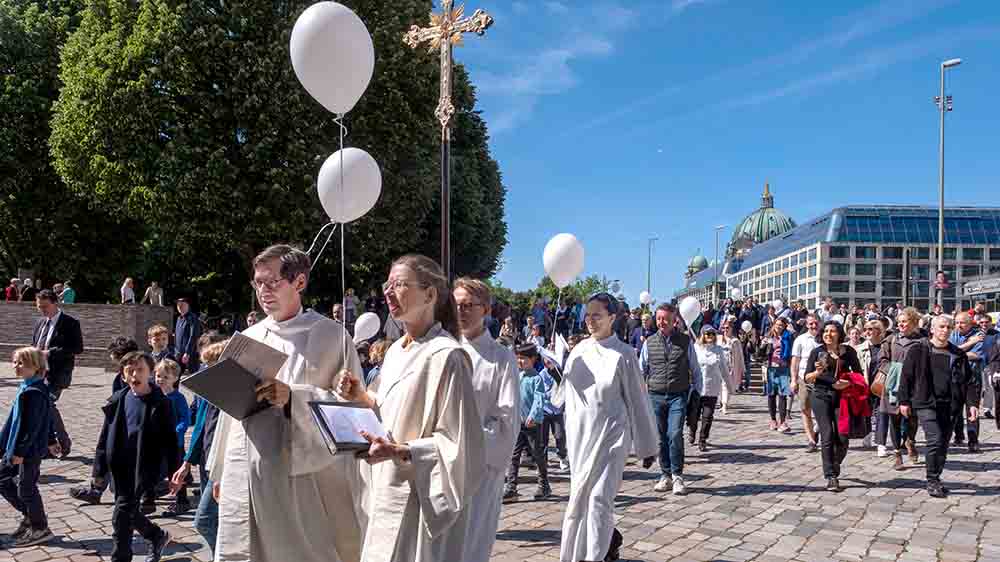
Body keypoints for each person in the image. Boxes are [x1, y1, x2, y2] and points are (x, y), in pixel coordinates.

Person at [206, 244, 366, 562]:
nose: (263, 291)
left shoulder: (331, 337)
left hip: (301, 481)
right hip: (245, 471)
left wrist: (294, 397)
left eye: (272, 282)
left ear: (300, 282)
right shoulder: (248, 336)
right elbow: (228, 416)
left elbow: (349, 411)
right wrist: (221, 472)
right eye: (258, 282)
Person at [336, 254, 484, 562]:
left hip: (419, 499)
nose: (388, 292)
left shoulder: (448, 357)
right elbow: (389, 410)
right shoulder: (394, 353)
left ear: (430, 294)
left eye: (399, 284)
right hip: (383, 487)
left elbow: (461, 445)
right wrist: (361, 398)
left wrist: (402, 451)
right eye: (387, 284)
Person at [552, 293, 657, 562]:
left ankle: (595, 556)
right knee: (579, 499)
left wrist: (646, 446)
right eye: (587, 315)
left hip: (611, 437)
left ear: (612, 317)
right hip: (580, 437)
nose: (590, 320)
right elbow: (561, 397)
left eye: (597, 315)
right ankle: (580, 553)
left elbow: (638, 400)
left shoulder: (624, 354)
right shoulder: (579, 350)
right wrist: (554, 373)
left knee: (599, 499)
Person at [454, 277, 519, 562]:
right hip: (441, 464)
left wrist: (470, 442)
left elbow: (507, 418)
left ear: (486, 310)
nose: (461, 311)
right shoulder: (442, 350)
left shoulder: (501, 357)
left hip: (481, 465)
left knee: (473, 545)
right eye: (456, 305)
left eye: (469, 305)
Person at [94, 351, 178, 562]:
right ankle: (156, 535)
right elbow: (105, 437)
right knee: (129, 511)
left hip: (144, 468)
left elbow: (170, 442)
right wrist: (99, 470)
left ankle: (120, 558)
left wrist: (176, 476)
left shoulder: (161, 404)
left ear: (150, 373)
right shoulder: (119, 400)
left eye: (140, 370)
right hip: (120, 467)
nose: (134, 375)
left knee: (120, 516)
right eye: (129, 371)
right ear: (123, 375)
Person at [900, 315, 980, 498]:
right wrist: (903, 401)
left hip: (951, 404)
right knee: (934, 439)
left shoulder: (957, 354)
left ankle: (937, 476)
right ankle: (932, 480)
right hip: (926, 402)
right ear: (933, 330)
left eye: (949, 327)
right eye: (942, 327)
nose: (945, 330)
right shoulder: (918, 350)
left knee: (943, 443)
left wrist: (972, 404)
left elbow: (968, 381)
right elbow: (906, 377)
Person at [170, 336, 227, 558]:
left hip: (221, 466)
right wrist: (186, 464)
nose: (204, 372)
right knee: (215, 520)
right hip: (206, 460)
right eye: (203, 367)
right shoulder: (209, 391)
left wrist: (222, 473)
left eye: (209, 368)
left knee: (204, 521)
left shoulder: (233, 396)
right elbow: (201, 426)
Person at [640, 302, 701, 495]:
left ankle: (677, 476)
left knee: (674, 434)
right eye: (658, 318)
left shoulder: (685, 341)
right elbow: (642, 369)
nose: (661, 322)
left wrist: (697, 393)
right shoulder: (648, 342)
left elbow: (695, 368)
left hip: (678, 395)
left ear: (674, 320)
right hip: (655, 395)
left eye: (665, 319)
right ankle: (664, 475)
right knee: (660, 438)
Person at [0, 347, 57, 547]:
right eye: (15, 362)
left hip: (28, 451)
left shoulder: (36, 392)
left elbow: (32, 427)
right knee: (3, 479)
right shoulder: (26, 387)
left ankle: (40, 527)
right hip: (14, 447)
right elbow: (14, 421)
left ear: (35, 366)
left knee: (26, 487)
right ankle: (30, 516)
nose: (16, 366)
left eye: (21, 363)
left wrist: (19, 453)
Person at [804, 321, 865, 492]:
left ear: (839, 334)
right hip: (820, 395)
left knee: (843, 436)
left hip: (843, 397)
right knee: (827, 434)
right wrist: (817, 373)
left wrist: (846, 382)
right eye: (826, 331)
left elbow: (858, 374)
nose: (828, 334)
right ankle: (831, 476)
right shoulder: (817, 353)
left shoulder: (848, 352)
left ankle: (835, 462)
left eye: (832, 331)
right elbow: (807, 377)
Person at [32, 289, 82, 457]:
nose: (42, 310)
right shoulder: (39, 322)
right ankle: (48, 444)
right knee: (40, 408)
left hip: (57, 373)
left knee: (48, 405)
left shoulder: (70, 323)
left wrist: (50, 353)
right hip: (36, 373)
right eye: (39, 307)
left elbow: (77, 348)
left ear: (55, 303)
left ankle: (62, 442)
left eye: (45, 306)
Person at [504, 344, 550, 501]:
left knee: (537, 454)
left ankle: (544, 484)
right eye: (518, 358)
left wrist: (533, 416)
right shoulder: (517, 375)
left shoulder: (537, 378)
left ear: (532, 359)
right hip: (518, 423)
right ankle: (511, 487)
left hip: (532, 425)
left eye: (523, 359)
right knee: (514, 456)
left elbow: (539, 399)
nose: (520, 361)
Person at [154, 359, 191, 517]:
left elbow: (185, 418)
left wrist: (178, 430)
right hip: (158, 441)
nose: (160, 380)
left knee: (175, 471)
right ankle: (152, 494)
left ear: (175, 379)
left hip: (175, 442)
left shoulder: (178, 398)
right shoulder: (154, 395)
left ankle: (182, 501)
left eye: (165, 377)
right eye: (158, 376)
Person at [690, 326, 733, 451]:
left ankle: (702, 439)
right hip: (697, 388)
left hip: (712, 388)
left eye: (712, 334)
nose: (710, 336)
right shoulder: (696, 348)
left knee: (708, 416)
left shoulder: (718, 350)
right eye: (707, 334)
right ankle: (692, 431)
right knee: (694, 415)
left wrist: (730, 386)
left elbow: (724, 369)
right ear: (702, 335)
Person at [949, 312, 985, 451]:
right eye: (957, 322)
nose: (959, 325)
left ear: (970, 323)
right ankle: (958, 436)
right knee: (955, 409)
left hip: (972, 378)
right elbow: (949, 350)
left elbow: (975, 355)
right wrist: (970, 343)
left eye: (962, 322)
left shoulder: (980, 336)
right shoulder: (953, 334)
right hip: (955, 377)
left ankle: (973, 440)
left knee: (972, 410)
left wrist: (956, 351)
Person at [790, 314, 822, 451]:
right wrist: (793, 379)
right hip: (804, 379)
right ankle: (811, 440)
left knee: (822, 411)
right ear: (807, 325)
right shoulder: (800, 339)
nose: (813, 326)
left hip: (822, 379)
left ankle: (816, 429)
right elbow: (795, 361)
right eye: (811, 324)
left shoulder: (824, 338)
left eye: (816, 323)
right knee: (805, 410)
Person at [762, 317, 794, 433]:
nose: (779, 326)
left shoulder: (788, 336)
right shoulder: (769, 336)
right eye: (777, 324)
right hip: (770, 367)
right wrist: (764, 344)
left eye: (781, 325)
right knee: (771, 394)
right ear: (774, 324)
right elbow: (760, 353)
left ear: (784, 326)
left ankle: (783, 422)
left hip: (783, 368)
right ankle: (773, 420)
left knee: (782, 395)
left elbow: (791, 351)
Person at [718, 317, 745, 413]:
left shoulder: (735, 341)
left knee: (726, 385)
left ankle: (724, 405)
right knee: (721, 385)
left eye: (727, 328)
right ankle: (723, 403)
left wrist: (742, 367)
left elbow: (740, 355)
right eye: (724, 328)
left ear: (731, 329)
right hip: (719, 365)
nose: (725, 330)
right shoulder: (718, 339)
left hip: (730, 365)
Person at [173, 297, 201, 373]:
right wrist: (175, 351)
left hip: (190, 354)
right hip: (179, 353)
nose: (180, 307)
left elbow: (194, 336)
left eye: (182, 304)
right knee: (176, 376)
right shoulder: (179, 318)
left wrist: (187, 353)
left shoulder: (193, 318)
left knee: (194, 375)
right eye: (178, 305)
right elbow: (176, 335)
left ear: (188, 305)